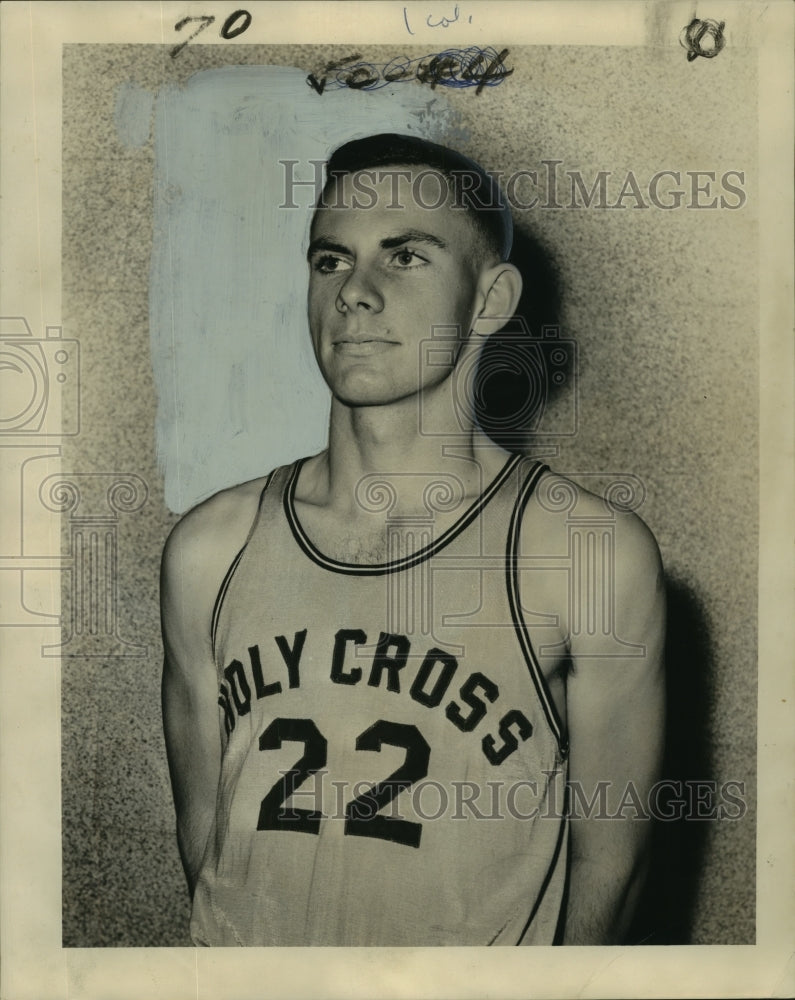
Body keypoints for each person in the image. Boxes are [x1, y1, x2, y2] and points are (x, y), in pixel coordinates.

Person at [161, 133, 666, 946]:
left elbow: (612, 867)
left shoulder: (583, 555)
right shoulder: (209, 549)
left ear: (491, 299)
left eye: (404, 258)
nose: (354, 292)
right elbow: (207, 847)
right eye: (330, 261)